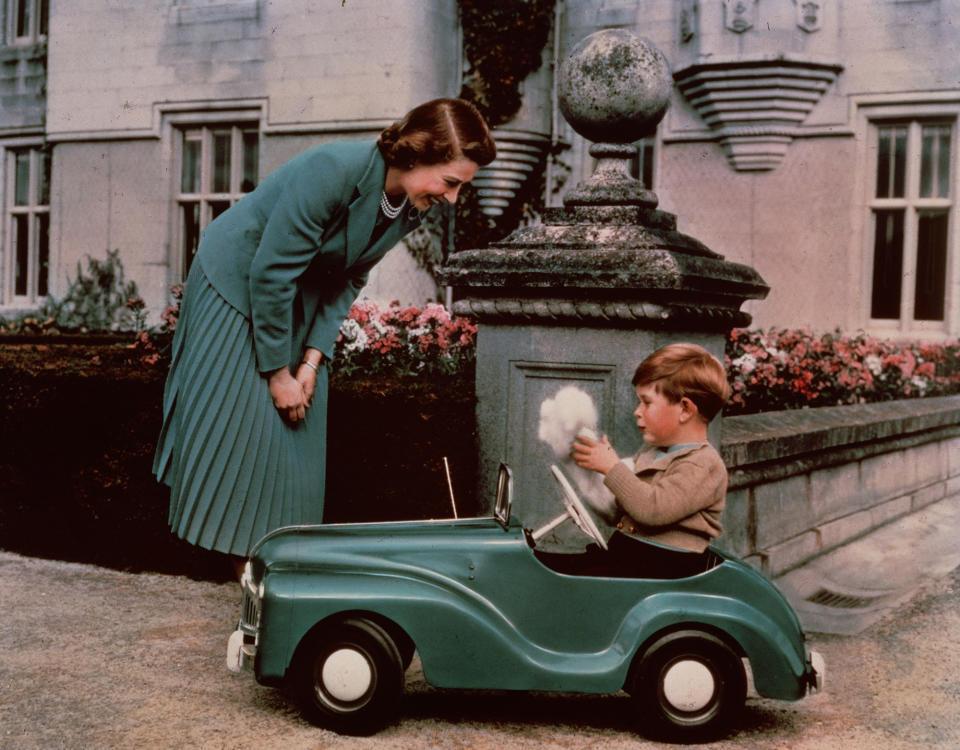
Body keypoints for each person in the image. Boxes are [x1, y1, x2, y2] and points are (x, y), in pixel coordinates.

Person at [153, 98, 496, 579]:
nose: (454, 199)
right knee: (249, 434)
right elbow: (270, 274)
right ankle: (255, 589)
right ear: (416, 155)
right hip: (235, 283)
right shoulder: (331, 169)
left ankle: (281, 580)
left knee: (297, 441)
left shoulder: (408, 205)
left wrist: (311, 361)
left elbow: (349, 280)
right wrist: (277, 374)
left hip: (296, 293)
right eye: (451, 183)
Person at [540, 343, 731, 579]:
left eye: (646, 402)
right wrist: (586, 471)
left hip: (666, 567)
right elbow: (617, 513)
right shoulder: (653, 452)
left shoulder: (704, 464)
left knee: (569, 579)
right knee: (547, 564)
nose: (637, 411)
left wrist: (612, 467)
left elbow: (652, 510)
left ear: (684, 409)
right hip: (633, 558)